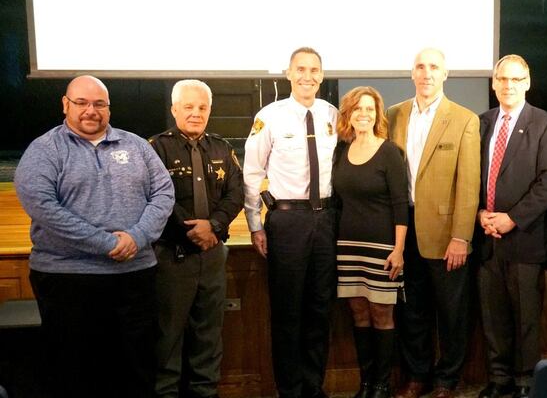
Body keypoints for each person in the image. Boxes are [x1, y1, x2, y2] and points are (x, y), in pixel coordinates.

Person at [14, 75, 175, 398]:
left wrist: (137, 237)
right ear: (65, 104)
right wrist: (107, 244)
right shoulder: (44, 150)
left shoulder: (136, 146)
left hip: (134, 275)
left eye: (99, 104)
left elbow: (163, 192)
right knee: (78, 373)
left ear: (109, 108)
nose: (91, 110)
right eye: (82, 103)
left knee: (137, 368)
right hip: (68, 279)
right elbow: (43, 205)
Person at [243, 47, 338, 398]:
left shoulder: (332, 115)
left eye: (314, 70)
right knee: (287, 311)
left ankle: (314, 387)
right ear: (288, 73)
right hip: (287, 222)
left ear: (322, 75)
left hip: (326, 220)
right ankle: (290, 390)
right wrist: (255, 224)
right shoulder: (270, 116)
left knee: (319, 308)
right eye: (301, 69)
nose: (308, 76)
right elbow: (252, 173)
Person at [387, 48, 481, 398]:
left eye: (434, 68)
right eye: (420, 67)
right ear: (412, 73)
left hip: (445, 234)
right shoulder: (393, 115)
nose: (427, 73)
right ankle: (417, 376)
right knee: (411, 310)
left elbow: (469, 185)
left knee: (452, 312)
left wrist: (461, 237)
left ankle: (447, 379)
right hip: (402, 228)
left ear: (446, 74)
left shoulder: (464, 119)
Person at [475, 55, 547, 398]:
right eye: (502, 79)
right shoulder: (481, 123)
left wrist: (512, 218)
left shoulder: (545, 124)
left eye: (515, 79)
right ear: (494, 83)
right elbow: (471, 176)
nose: (508, 85)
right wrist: (480, 213)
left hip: (525, 238)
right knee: (493, 315)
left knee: (527, 315)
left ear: (527, 83)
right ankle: (499, 379)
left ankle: (526, 380)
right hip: (486, 237)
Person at [148, 80, 244, 398]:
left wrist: (213, 227)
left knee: (209, 334)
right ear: (174, 109)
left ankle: (205, 392)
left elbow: (235, 193)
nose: (195, 113)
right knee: (168, 336)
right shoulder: (156, 148)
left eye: (202, 107)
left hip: (213, 254)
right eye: (188, 107)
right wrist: (193, 230)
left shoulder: (221, 147)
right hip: (173, 256)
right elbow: (156, 196)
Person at [333, 86, 409, 398]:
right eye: (357, 109)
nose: (364, 114)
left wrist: (399, 250)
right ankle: (365, 382)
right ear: (348, 115)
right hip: (348, 246)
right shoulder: (341, 150)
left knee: (381, 314)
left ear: (377, 114)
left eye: (369, 109)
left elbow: (400, 204)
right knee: (358, 313)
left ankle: (381, 383)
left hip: (382, 248)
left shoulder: (389, 152)